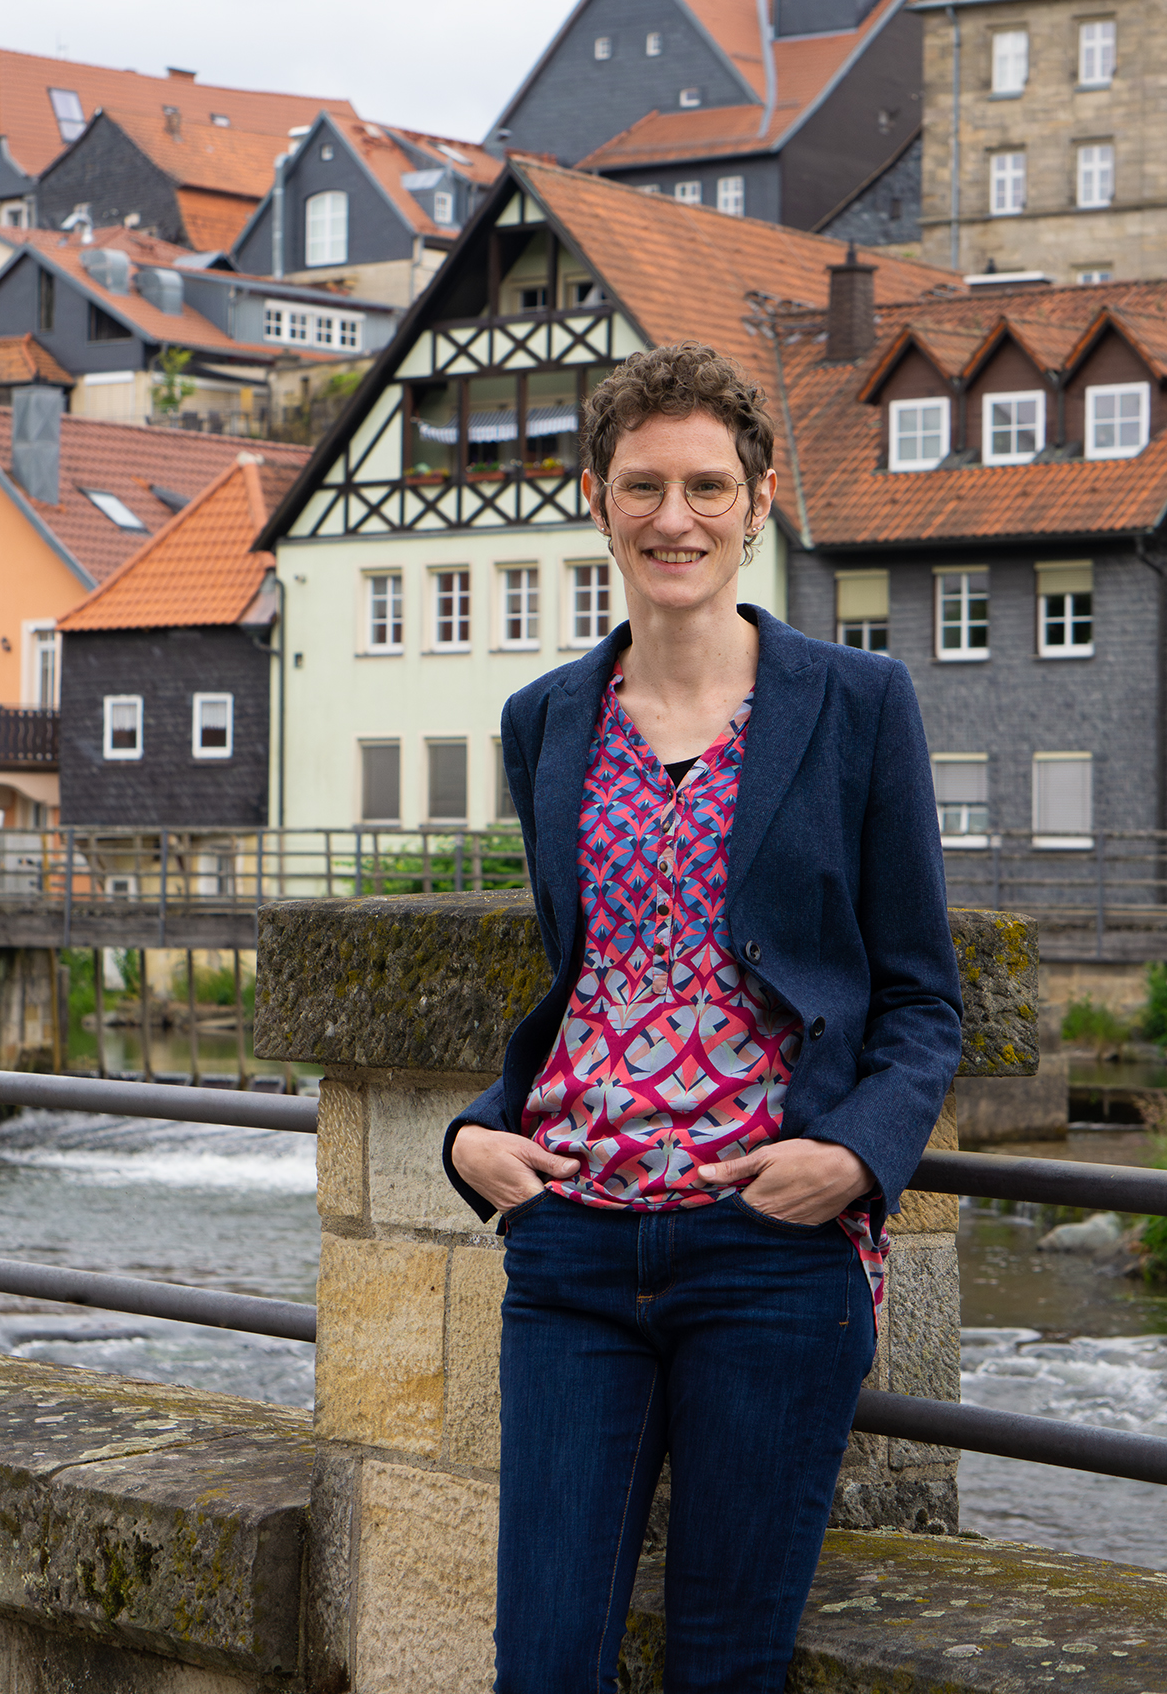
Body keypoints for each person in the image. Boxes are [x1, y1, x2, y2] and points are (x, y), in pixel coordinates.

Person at [444, 340, 962, 1694]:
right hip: (570, 1254)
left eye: (707, 486)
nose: (676, 517)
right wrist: (476, 1137)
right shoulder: (544, 719)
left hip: (768, 1256)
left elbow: (921, 1000)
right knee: (543, 1668)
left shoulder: (856, 707)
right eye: (645, 485)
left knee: (723, 1670)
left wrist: (855, 1159)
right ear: (598, 500)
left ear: (761, 498)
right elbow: (593, 977)